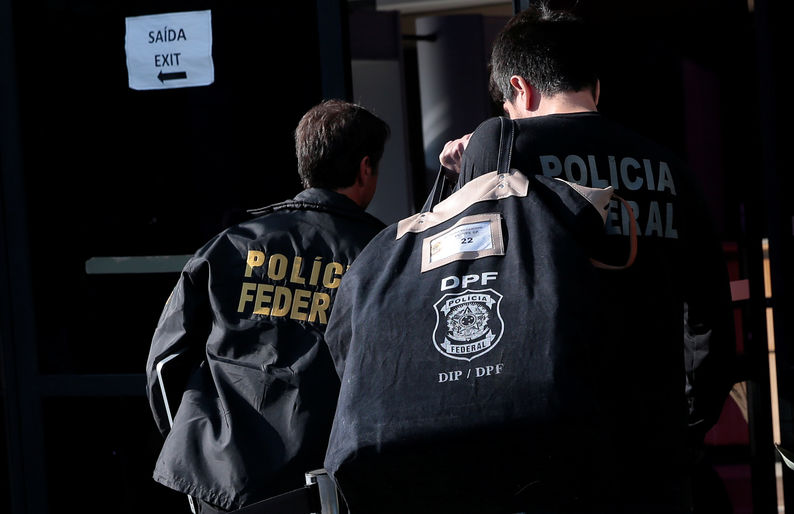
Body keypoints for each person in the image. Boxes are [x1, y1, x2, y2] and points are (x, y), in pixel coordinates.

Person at [324, 4, 735, 513]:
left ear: (520, 88)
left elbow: (465, 278)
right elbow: (710, 325)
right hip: (653, 449)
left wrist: (461, 175)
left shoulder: (504, 147)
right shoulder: (670, 169)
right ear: (595, 86)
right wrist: (684, 425)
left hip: (545, 455)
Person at [145, 99, 390, 513]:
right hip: (336, 487)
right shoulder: (383, 253)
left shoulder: (232, 245)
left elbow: (165, 363)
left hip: (227, 482)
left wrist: (199, 448)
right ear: (366, 167)